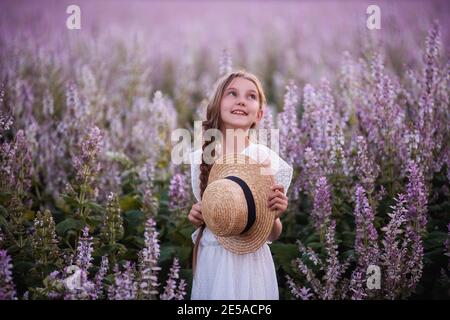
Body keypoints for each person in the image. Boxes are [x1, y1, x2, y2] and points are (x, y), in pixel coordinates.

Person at [188, 70, 293, 299]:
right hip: (213, 259)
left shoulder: (263, 159)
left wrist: (274, 215)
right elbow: (208, 215)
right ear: (217, 105)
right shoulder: (201, 158)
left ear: (260, 114)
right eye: (232, 93)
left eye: (251, 96)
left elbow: (272, 234)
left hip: (251, 262)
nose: (241, 100)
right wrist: (198, 216)